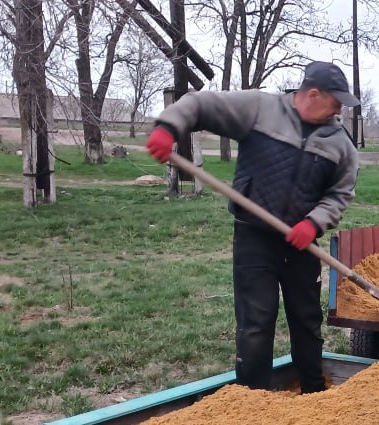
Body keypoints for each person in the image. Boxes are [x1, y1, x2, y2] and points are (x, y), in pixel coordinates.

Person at [145, 61, 360, 394]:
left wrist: (313, 223)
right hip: (253, 238)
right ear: (313, 94)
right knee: (256, 324)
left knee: (307, 322)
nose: (338, 110)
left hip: (302, 244)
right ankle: (251, 400)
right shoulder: (260, 109)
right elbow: (200, 104)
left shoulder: (341, 144)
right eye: (335, 102)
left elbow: (339, 195)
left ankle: (315, 393)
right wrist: (169, 128)